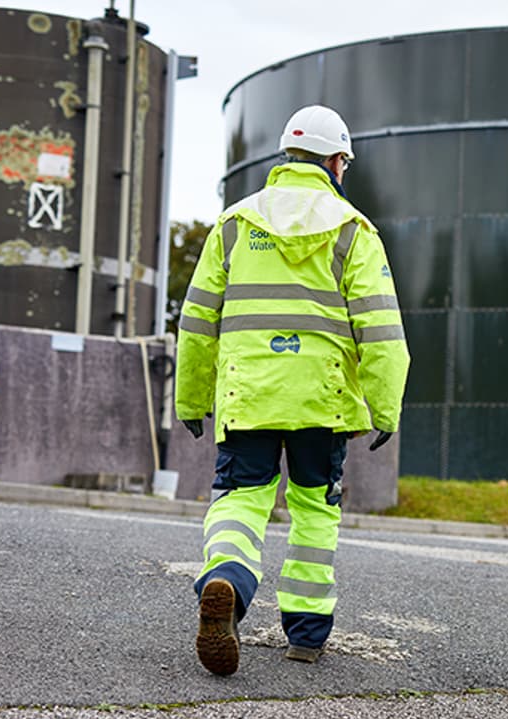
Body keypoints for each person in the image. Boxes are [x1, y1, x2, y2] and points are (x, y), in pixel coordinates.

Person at [175, 104, 410, 676]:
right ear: (336, 161)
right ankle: (305, 634)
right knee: (313, 511)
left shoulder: (233, 225)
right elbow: (381, 330)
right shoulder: (354, 230)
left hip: (249, 395)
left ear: (286, 156)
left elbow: (198, 320)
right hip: (322, 402)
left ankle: (227, 580)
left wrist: (191, 397)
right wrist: (385, 408)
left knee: (240, 499)